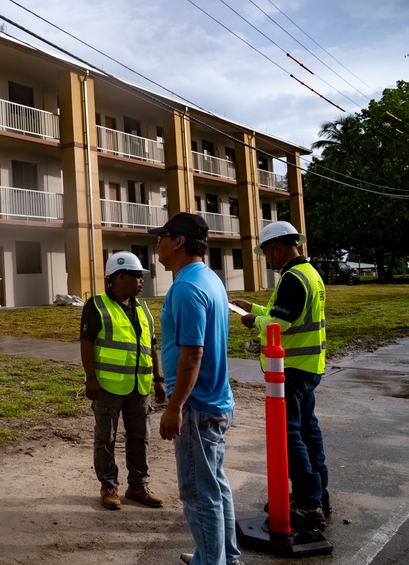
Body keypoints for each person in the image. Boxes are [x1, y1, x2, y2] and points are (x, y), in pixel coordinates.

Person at [152, 213, 241, 565]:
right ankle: (221, 556)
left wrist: (174, 407)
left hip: (197, 406)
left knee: (198, 492)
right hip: (215, 401)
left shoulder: (187, 288)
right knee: (215, 485)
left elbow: (193, 354)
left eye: (163, 236)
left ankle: (212, 562)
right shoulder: (210, 279)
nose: (157, 243)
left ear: (178, 242)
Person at [231, 220, 329, 527]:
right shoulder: (308, 274)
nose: (266, 260)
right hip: (309, 365)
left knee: (290, 434)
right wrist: (256, 308)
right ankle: (318, 494)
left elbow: (280, 325)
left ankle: (307, 501)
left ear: (276, 248)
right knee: (308, 432)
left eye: (266, 253)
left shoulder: (292, 278)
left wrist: (253, 321)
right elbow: (284, 314)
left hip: (293, 369)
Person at [80, 251, 167, 511]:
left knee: (140, 437)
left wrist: (158, 379)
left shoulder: (143, 309)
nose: (141, 281)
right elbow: (86, 343)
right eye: (136, 276)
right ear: (118, 277)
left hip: (139, 387)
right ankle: (108, 486)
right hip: (107, 386)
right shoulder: (96, 306)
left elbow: (151, 347)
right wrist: (91, 379)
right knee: (105, 438)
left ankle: (138, 485)